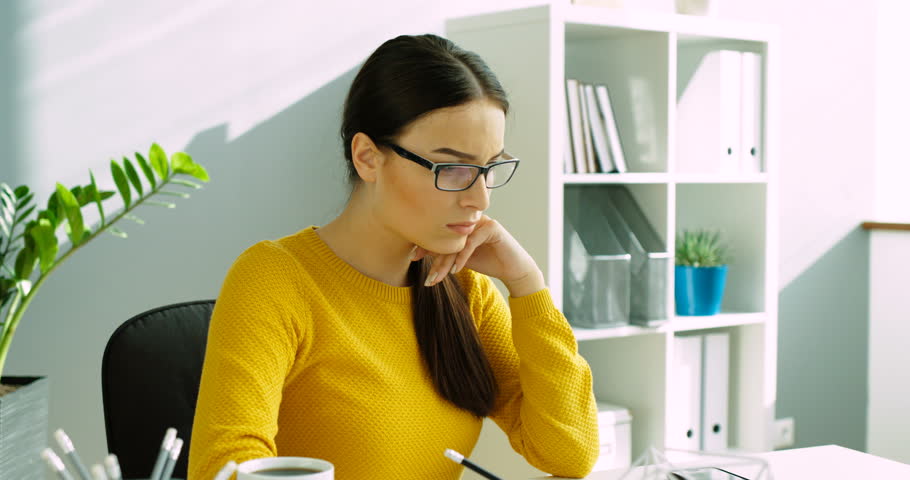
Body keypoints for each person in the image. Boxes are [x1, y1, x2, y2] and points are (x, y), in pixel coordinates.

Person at [188, 33, 599, 479]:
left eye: (489, 169)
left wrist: (526, 283)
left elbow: (569, 455)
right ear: (367, 158)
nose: (479, 197)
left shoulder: (466, 293)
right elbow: (223, 468)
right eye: (453, 168)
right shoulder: (275, 279)